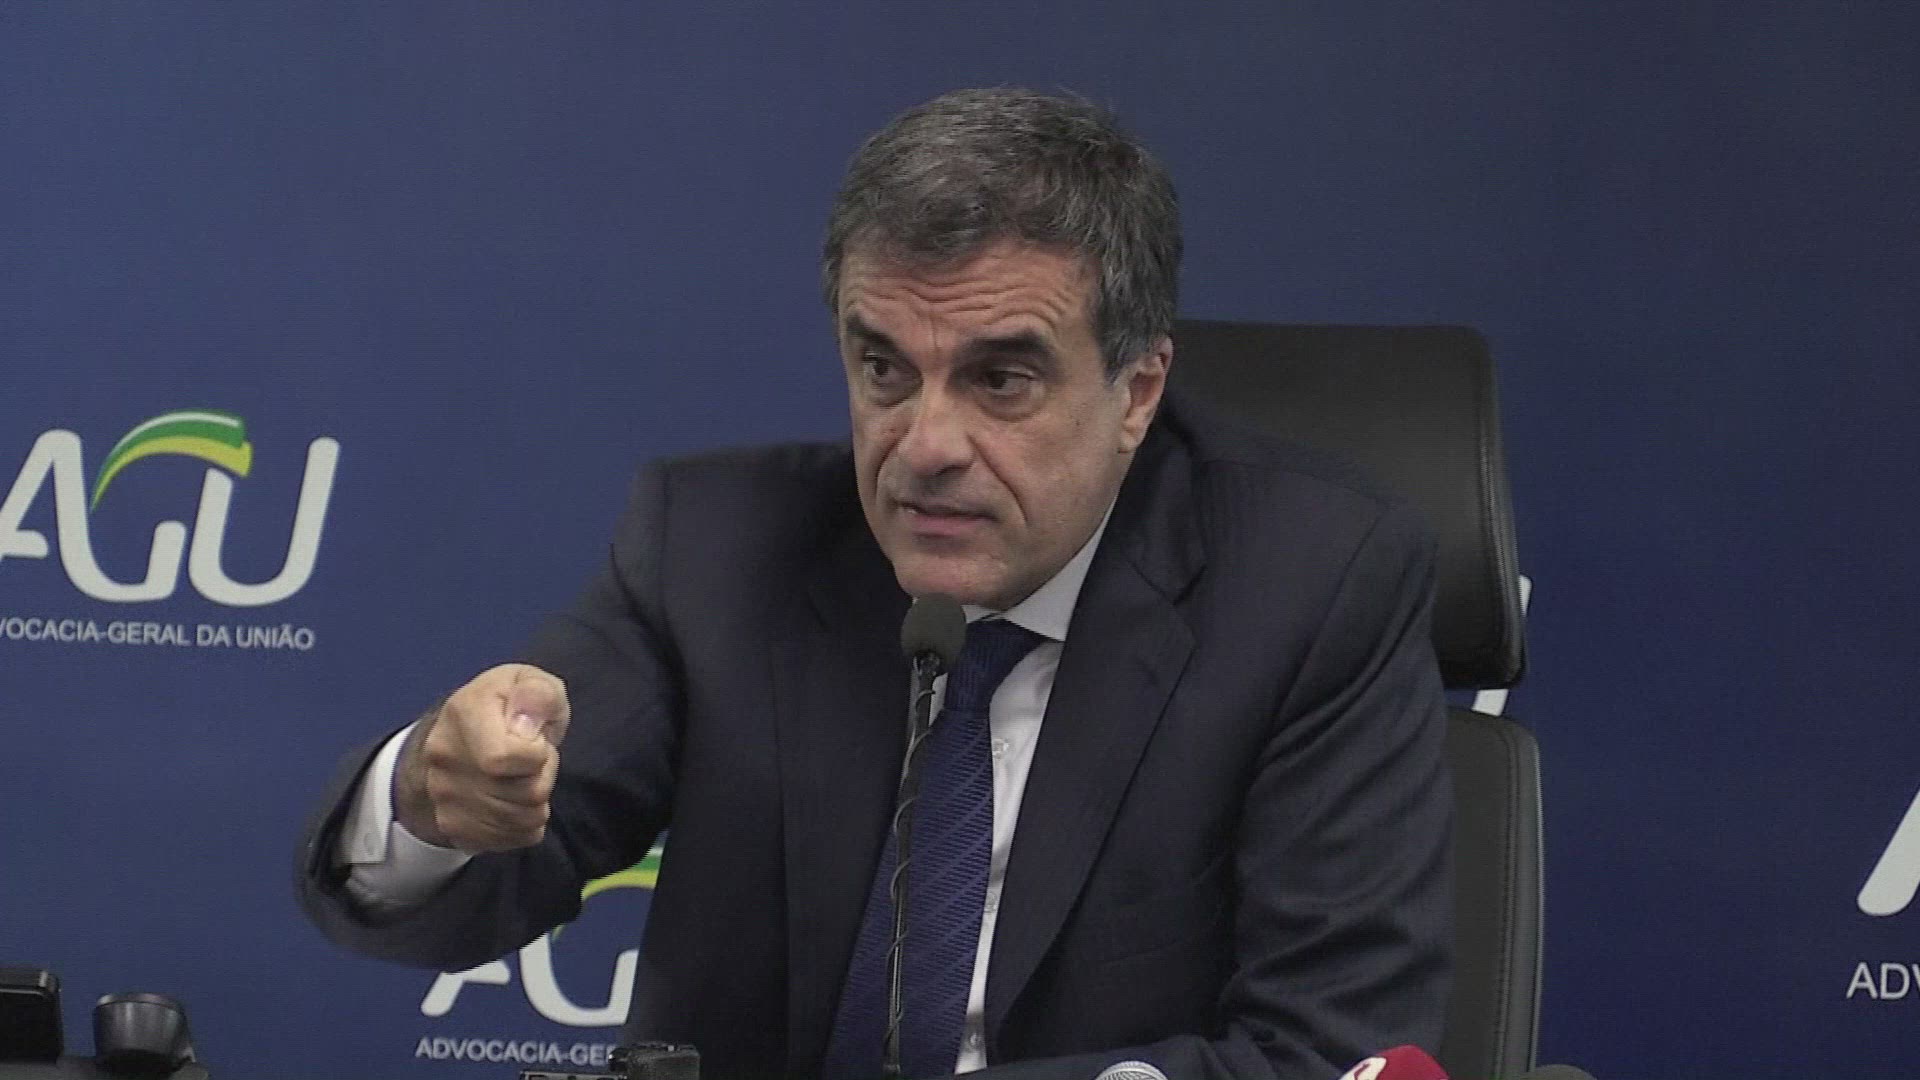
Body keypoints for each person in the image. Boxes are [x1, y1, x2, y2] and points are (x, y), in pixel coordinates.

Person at [297, 88, 1451, 1080]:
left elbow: (1324, 1053)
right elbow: (482, 880)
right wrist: (432, 797)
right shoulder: (718, 550)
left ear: (1137, 393)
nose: (925, 446)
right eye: (884, 367)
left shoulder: (1309, 588)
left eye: (1001, 379)